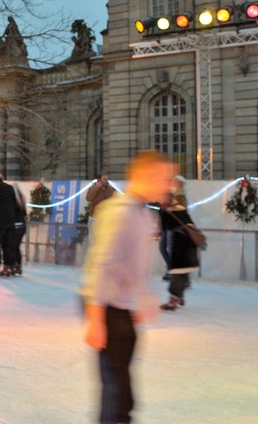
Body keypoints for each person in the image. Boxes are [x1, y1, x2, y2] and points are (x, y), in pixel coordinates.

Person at [82, 150, 175, 424]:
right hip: (105, 306)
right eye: (164, 178)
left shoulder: (144, 216)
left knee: (123, 393)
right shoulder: (120, 212)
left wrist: (144, 297)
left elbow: (133, 265)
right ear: (146, 176)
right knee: (116, 392)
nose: (169, 185)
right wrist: (96, 320)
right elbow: (101, 264)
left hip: (121, 307)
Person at [158, 193, 200, 311]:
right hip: (190, 247)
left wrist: (163, 210)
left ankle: (173, 300)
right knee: (183, 273)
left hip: (180, 247)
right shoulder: (185, 213)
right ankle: (179, 295)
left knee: (177, 273)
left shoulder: (173, 212)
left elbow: (164, 225)